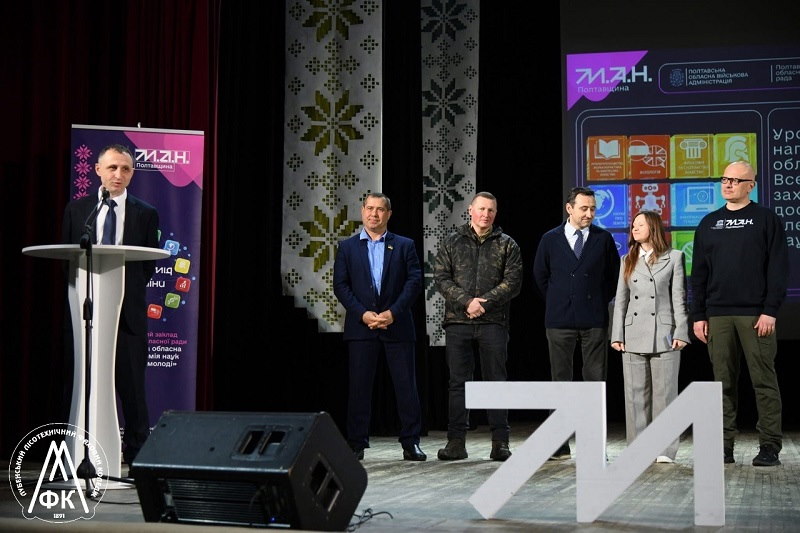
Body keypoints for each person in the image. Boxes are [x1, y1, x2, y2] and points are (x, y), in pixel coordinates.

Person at [62, 144, 160, 464]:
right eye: (112, 168)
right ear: (98, 170)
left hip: (128, 313)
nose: (119, 174)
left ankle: (137, 455)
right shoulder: (79, 210)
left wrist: (125, 293)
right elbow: (69, 259)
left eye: (126, 169)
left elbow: (147, 266)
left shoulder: (146, 213)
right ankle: (78, 450)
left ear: (132, 173)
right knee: (81, 381)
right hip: (87, 310)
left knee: (133, 388)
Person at [691, 160, 788, 467]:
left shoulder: (766, 219)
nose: (728, 184)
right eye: (725, 179)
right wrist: (698, 315)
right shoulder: (709, 223)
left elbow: (778, 268)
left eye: (735, 180)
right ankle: (723, 446)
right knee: (722, 385)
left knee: (764, 382)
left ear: (751, 185)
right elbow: (699, 274)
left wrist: (770, 310)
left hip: (755, 315)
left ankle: (769, 446)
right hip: (718, 316)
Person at [333, 192, 426, 461]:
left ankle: (411, 442)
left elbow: (414, 282)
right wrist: (363, 314)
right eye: (370, 208)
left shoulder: (405, 245)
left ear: (389, 214)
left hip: (397, 326)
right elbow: (341, 285)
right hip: (361, 328)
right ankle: (356, 443)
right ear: (362, 211)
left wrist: (392, 313)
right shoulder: (347, 247)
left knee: (406, 387)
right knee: (359, 388)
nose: (374, 214)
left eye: (380, 209)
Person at [434, 192, 522, 462]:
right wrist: (466, 302)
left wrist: (483, 303)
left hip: (493, 322)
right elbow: (441, 278)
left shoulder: (507, 244)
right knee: (458, 383)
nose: (486, 214)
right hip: (458, 322)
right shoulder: (452, 241)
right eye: (481, 209)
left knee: (496, 382)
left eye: (491, 210)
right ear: (470, 210)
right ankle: (456, 442)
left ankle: (500, 443)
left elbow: (513, 282)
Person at [533, 186, 620, 460]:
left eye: (593, 209)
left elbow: (613, 277)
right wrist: (559, 299)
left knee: (595, 383)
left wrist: (595, 300)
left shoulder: (603, 238)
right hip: (559, 320)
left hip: (594, 320)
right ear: (569, 208)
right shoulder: (550, 239)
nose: (589, 214)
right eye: (584, 208)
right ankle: (558, 445)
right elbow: (540, 276)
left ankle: (593, 445)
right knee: (561, 382)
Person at [610, 211, 689, 463]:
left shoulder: (674, 257)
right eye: (633, 225)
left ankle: (665, 449)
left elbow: (679, 298)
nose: (634, 228)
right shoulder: (627, 259)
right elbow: (620, 301)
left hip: (664, 333)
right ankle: (638, 448)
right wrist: (617, 334)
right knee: (635, 397)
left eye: (640, 225)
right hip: (632, 333)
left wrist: (681, 331)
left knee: (665, 395)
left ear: (652, 228)